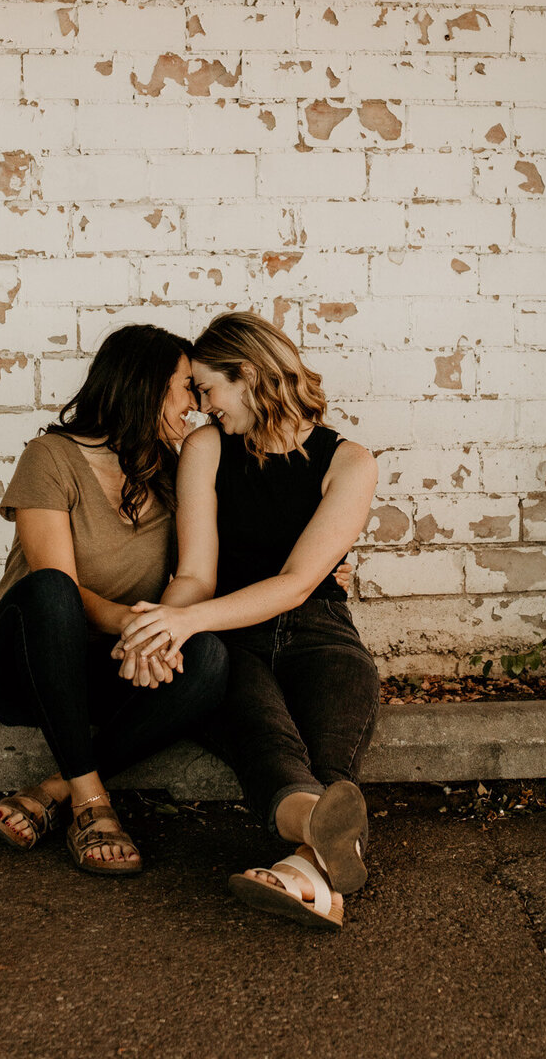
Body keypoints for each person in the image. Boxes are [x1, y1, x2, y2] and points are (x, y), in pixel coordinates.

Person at [119, 311, 380, 931]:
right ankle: (316, 856)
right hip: (231, 636)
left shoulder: (350, 463)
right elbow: (197, 574)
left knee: (331, 750)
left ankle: (305, 866)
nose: (201, 407)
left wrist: (182, 623)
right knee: (266, 735)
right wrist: (162, 627)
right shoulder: (209, 448)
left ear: (252, 376)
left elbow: (297, 584)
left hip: (322, 632)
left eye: (208, 389)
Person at [0, 323, 229, 877]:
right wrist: (140, 628)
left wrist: (329, 571)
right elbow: (53, 579)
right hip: (21, 667)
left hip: (104, 670)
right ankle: (91, 803)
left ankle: (53, 791)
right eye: (186, 387)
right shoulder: (51, 457)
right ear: (148, 385)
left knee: (210, 659)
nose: (195, 406)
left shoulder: (175, 471)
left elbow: (210, 561)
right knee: (52, 591)